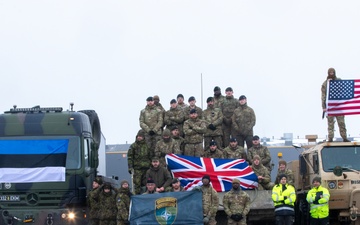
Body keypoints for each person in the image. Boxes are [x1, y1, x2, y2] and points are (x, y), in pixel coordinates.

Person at [321, 67, 350, 142]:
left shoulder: (339, 81)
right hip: (330, 106)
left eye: (332, 73)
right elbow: (323, 96)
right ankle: (330, 137)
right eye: (330, 73)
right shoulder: (325, 84)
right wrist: (324, 107)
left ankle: (344, 137)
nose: (331, 74)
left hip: (338, 106)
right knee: (330, 123)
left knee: (341, 123)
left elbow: (343, 89)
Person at [127, 130, 151, 194]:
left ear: (143, 137)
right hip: (137, 168)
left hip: (146, 168)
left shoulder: (147, 146)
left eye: (141, 136)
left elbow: (151, 156)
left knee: (147, 184)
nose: (139, 138)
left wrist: (151, 166)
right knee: (137, 184)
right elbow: (130, 157)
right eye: (138, 136)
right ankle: (137, 197)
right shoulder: (133, 146)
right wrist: (130, 167)